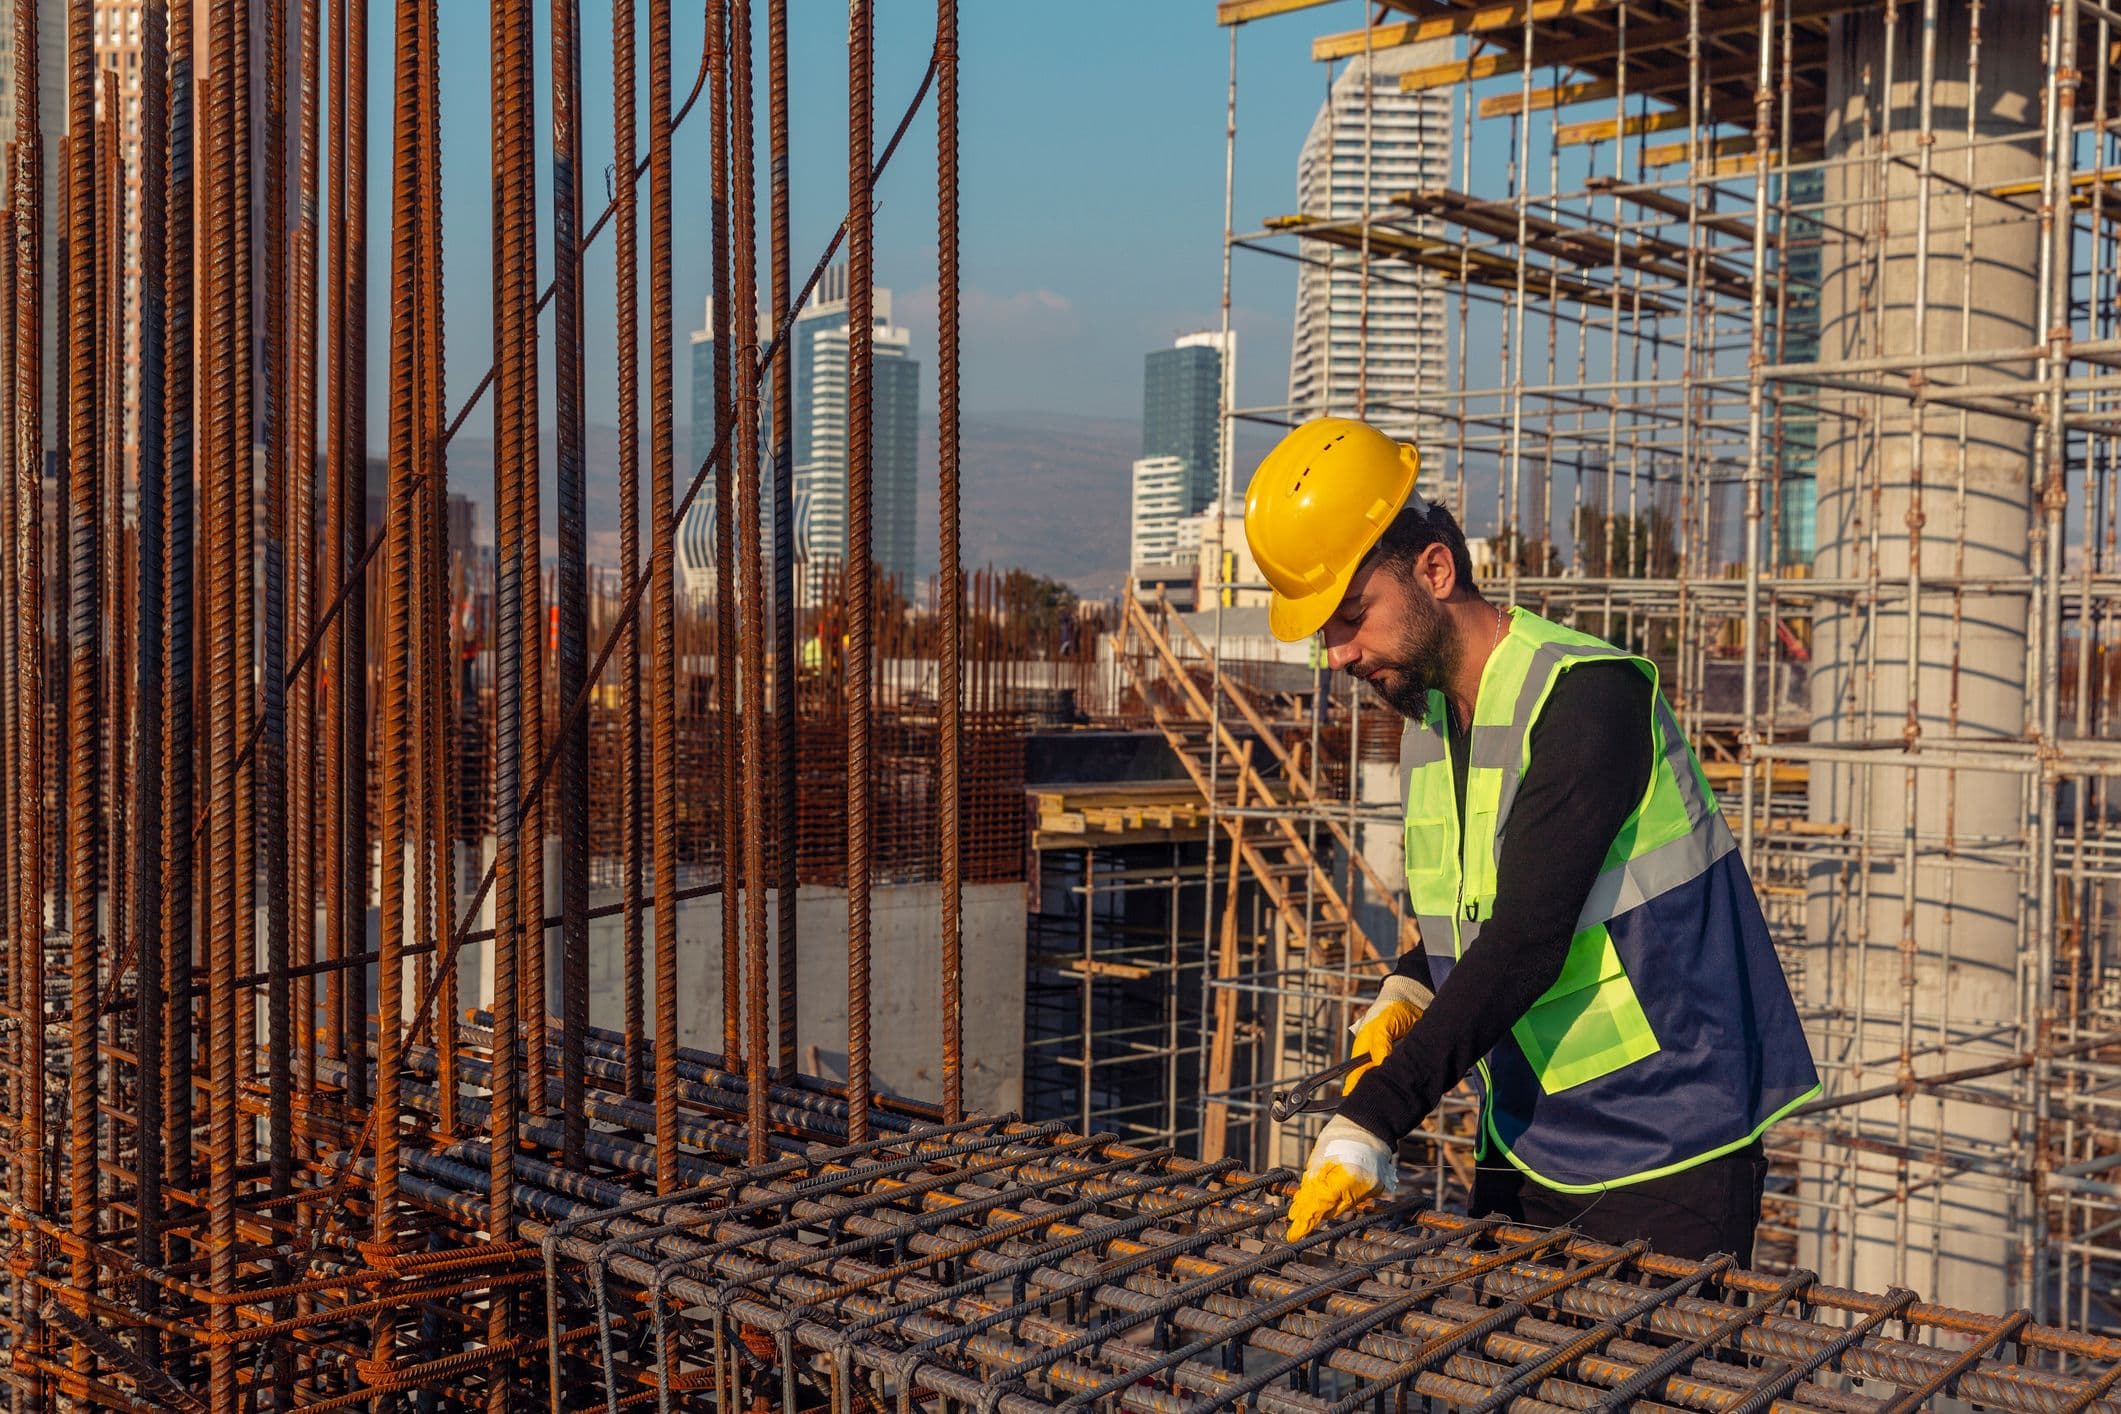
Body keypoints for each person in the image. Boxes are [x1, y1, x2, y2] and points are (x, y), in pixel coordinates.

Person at [1242, 417, 1819, 1262]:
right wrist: (1409, 983)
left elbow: (1527, 938)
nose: (1336, 654)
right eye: (1324, 630)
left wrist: (1371, 1118)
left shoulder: (1587, 699)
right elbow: (1480, 902)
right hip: (1527, 1134)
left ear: (1434, 568)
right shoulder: (1431, 718)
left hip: (1669, 1145)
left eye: (1350, 615)